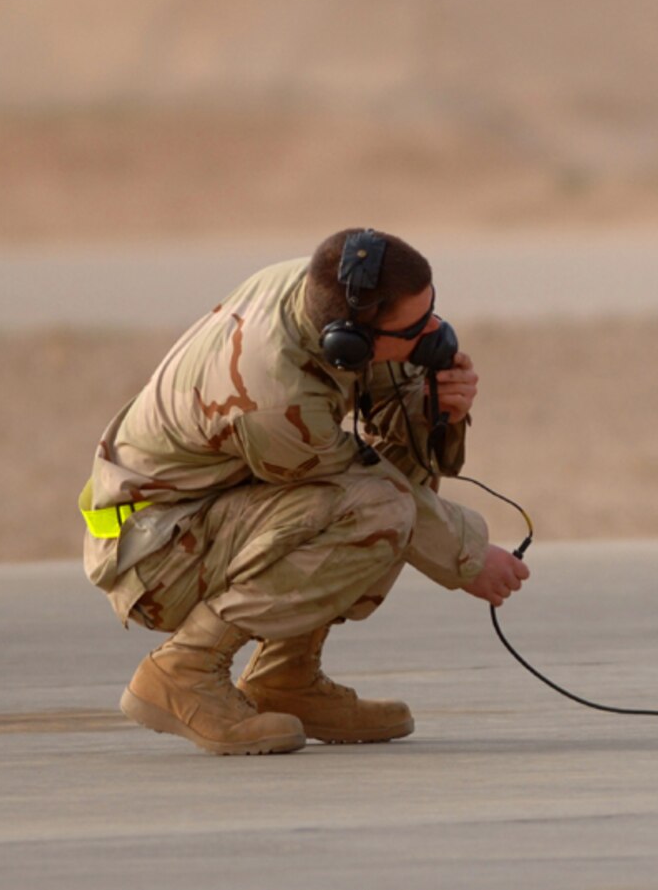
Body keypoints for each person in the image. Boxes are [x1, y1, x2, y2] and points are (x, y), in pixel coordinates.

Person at [79, 227, 531, 755]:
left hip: (212, 502)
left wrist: (436, 409)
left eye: (434, 314)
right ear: (351, 341)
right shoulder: (272, 396)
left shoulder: (320, 293)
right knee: (375, 509)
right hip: (151, 551)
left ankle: (285, 678)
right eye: (416, 328)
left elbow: (393, 441)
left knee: (394, 476)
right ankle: (184, 670)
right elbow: (372, 492)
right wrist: (472, 558)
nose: (436, 334)